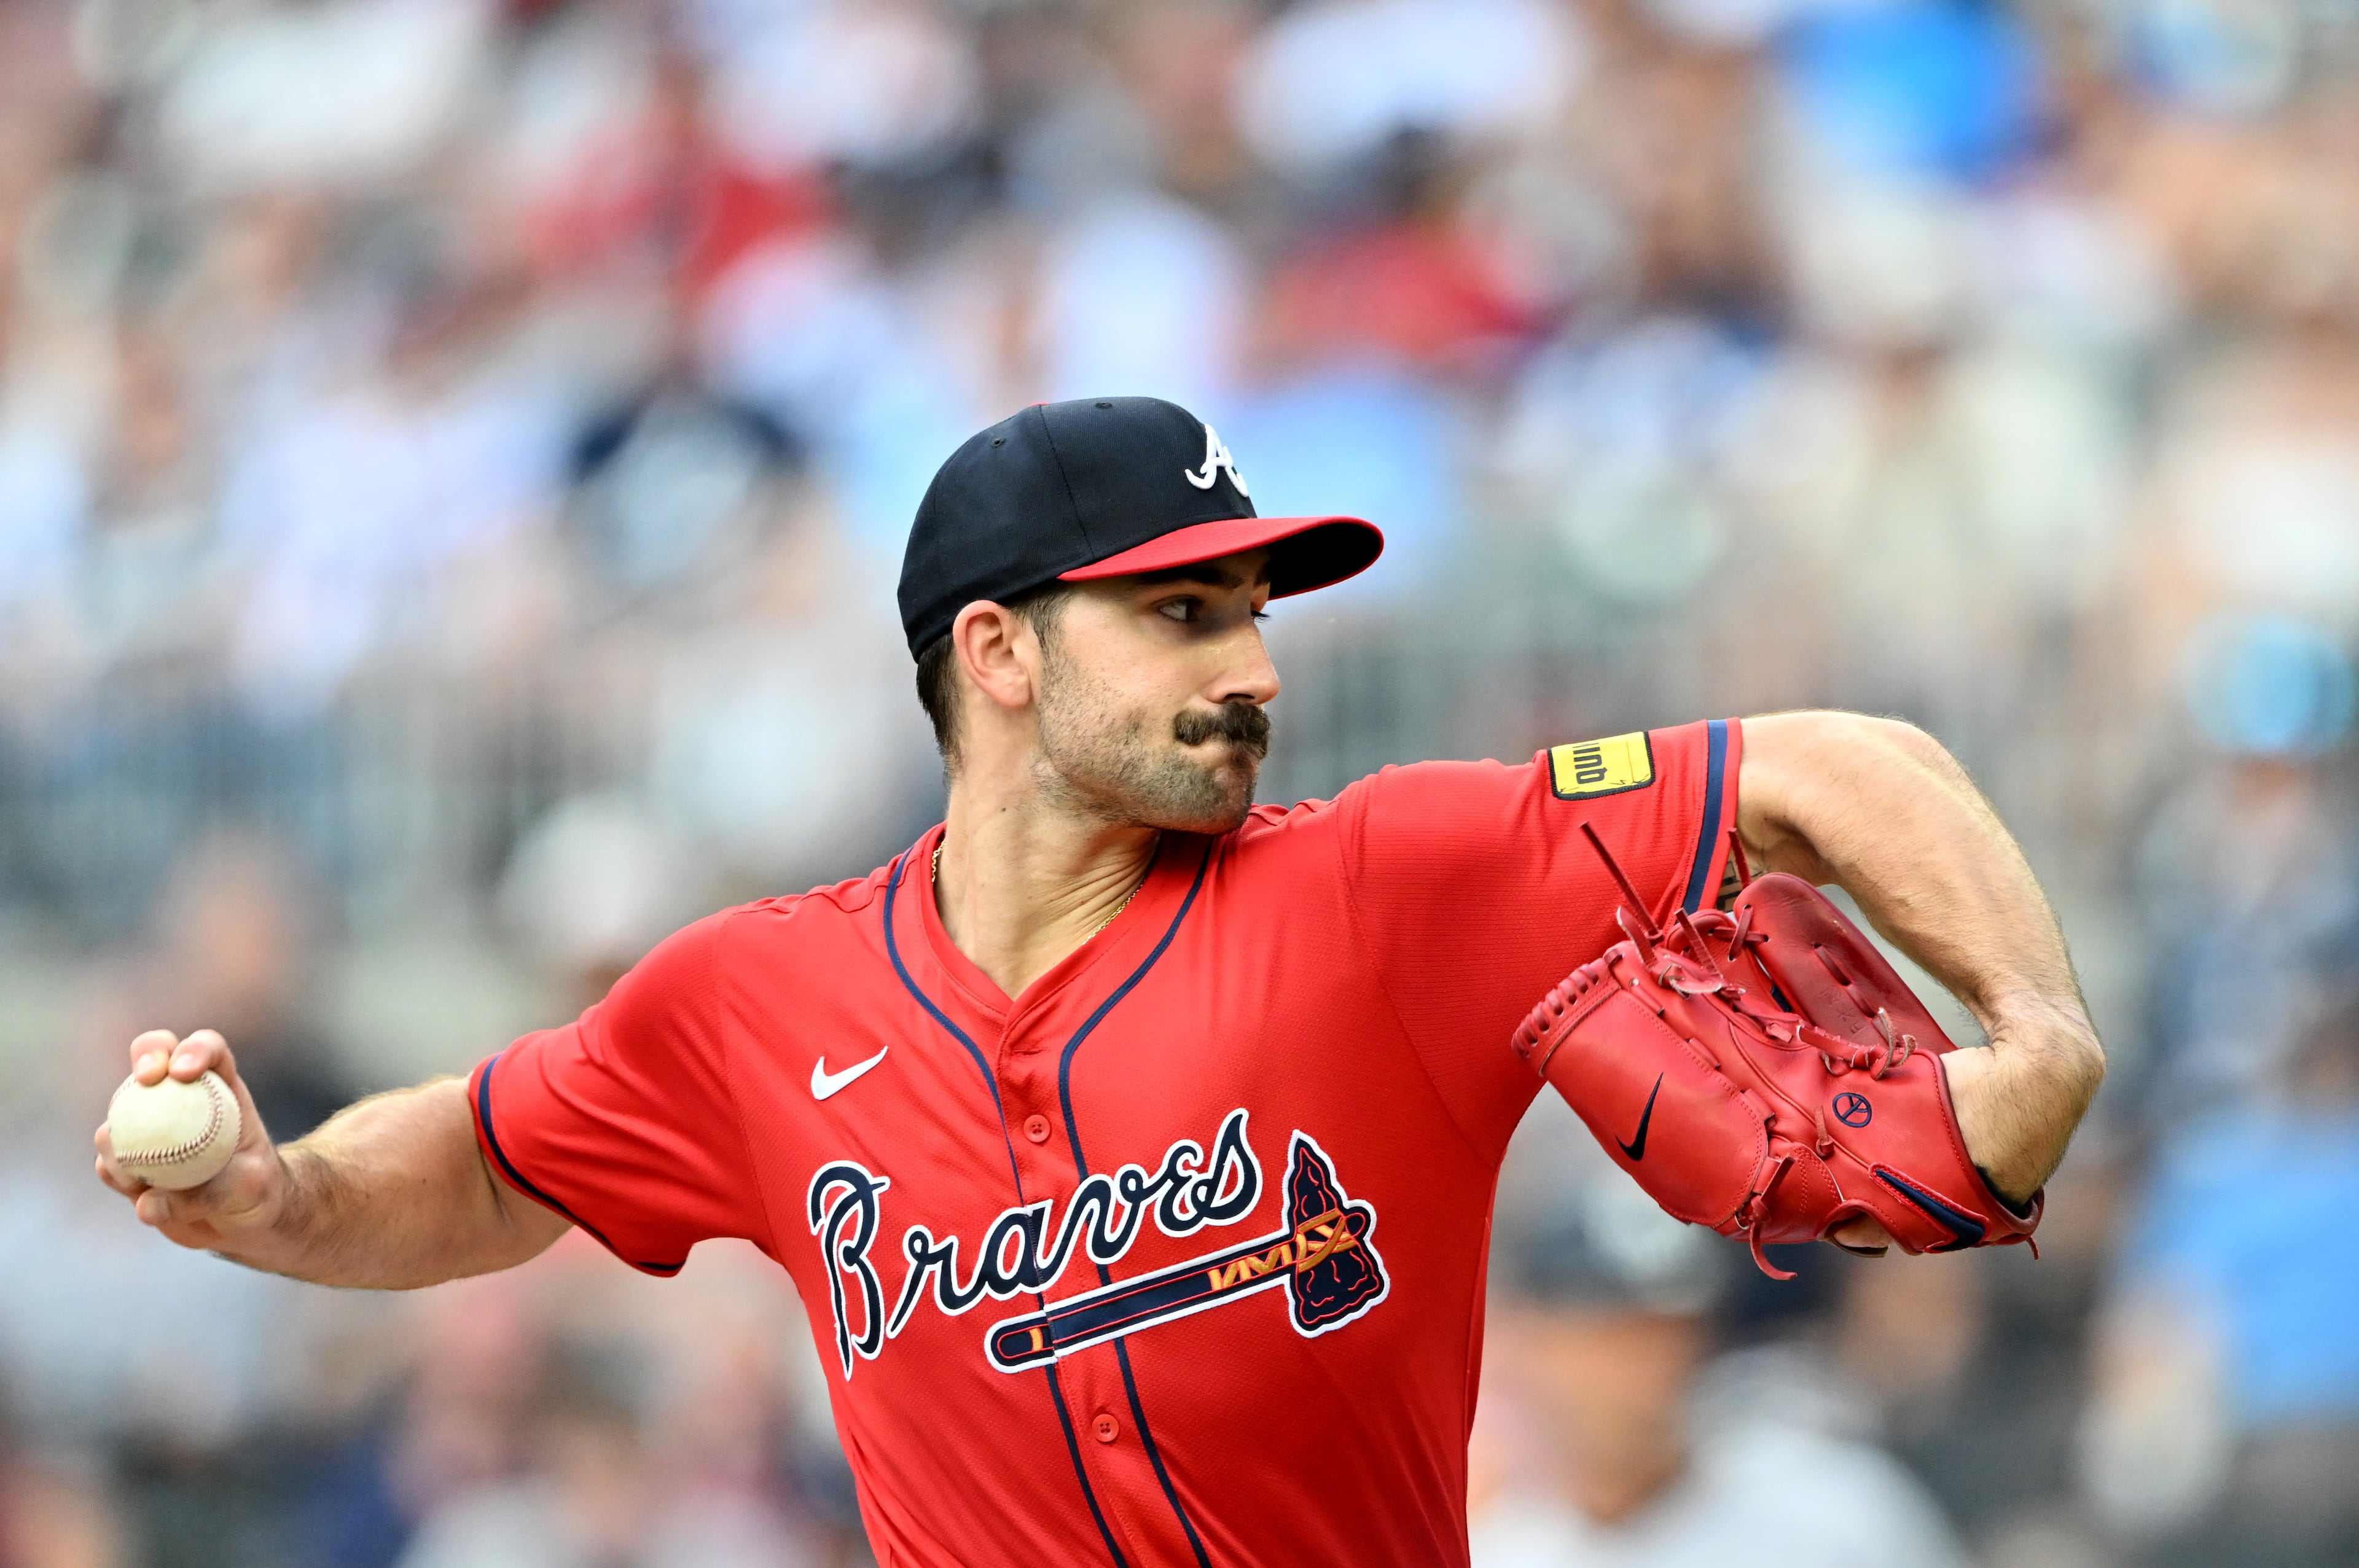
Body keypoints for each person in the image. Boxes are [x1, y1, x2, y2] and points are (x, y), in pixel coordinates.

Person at [95, 397, 2104, 1566]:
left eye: (1250, 607)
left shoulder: (1400, 880)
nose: (1255, 665)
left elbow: (1846, 773)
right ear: (1000, 655)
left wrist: (2040, 1030)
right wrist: (275, 1201)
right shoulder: (751, 1000)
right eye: (1181, 612)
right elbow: (481, 1156)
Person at [1471, 1106, 1970, 1568]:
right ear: (1532, 1337)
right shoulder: (1498, 1550)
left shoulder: (1835, 1509)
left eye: (1663, 1332)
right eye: (1606, 1336)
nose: (1639, 1370)